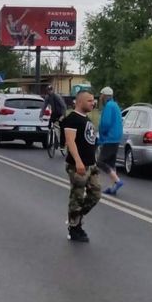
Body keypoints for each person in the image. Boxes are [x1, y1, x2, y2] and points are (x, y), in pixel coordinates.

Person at [61, 90, 101, 242]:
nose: (93, 103)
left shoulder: (86, 118)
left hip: (91, 164)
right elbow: (70, 141)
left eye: (93, 100)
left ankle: (76, 217)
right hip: (78, 165)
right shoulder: (72, 119)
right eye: (89, 100)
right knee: (77, 196)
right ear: (79, 102)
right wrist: (78, 161)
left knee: (95, 194)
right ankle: (74, 228)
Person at [97, 87, 124, 195]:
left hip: (109, 138)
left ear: (104, 96)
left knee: (101, 162)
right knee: (111, 163)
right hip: (116, 137)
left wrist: (102, 134)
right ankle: (113, 187)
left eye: (101, 95)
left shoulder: (108, 106)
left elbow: (106, 123)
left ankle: (117, 181)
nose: (100, 98)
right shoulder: (115, 105)